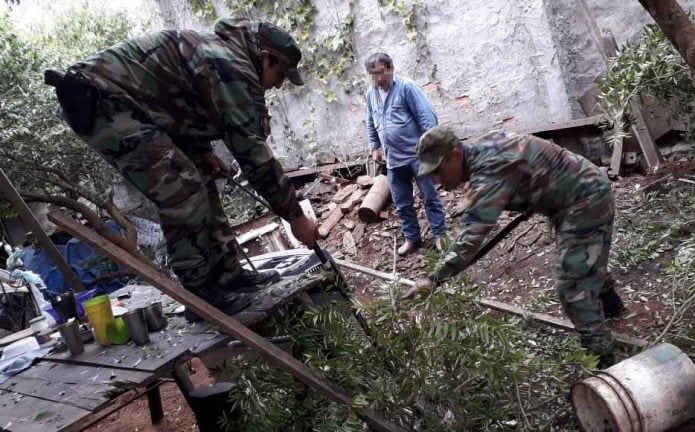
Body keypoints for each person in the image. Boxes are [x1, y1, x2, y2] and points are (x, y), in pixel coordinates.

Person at [46, 18, 318, 321]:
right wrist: (295, 216)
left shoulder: (222, 55)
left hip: (139, 110)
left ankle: (229, 276)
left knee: (203, 177)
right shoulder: (233, 66)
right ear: (266, 56)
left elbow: (179, 105)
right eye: (280, 73)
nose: (279, 83)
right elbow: (253, 153)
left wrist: (203, 152)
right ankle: (200, 294)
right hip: (103, 104)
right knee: (183, 191)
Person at [405, 125, 627, 364]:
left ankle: (606, 362)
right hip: (578, 193)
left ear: (456, 155)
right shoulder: (482, 149)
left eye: (438, 171)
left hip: (584, 200)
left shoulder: (488, 171)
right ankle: (613, 308)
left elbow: (472, 236)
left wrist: (434, 278)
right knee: (583, 262)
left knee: (572, 286)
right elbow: (524, 162)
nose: (438, 181)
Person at [365, 52, 446, 256]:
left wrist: (429, 146)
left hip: (416, 156)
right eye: (373, 74)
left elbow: (427, 116)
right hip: (393, 160)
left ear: (391, 69)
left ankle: (440, 235)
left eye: (381, 73)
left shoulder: (406, 88)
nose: (378, 79)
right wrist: (375, 146)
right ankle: (412, 239)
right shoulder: (371, 94)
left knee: (430, 197)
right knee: (402, 204)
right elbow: (371, 122)